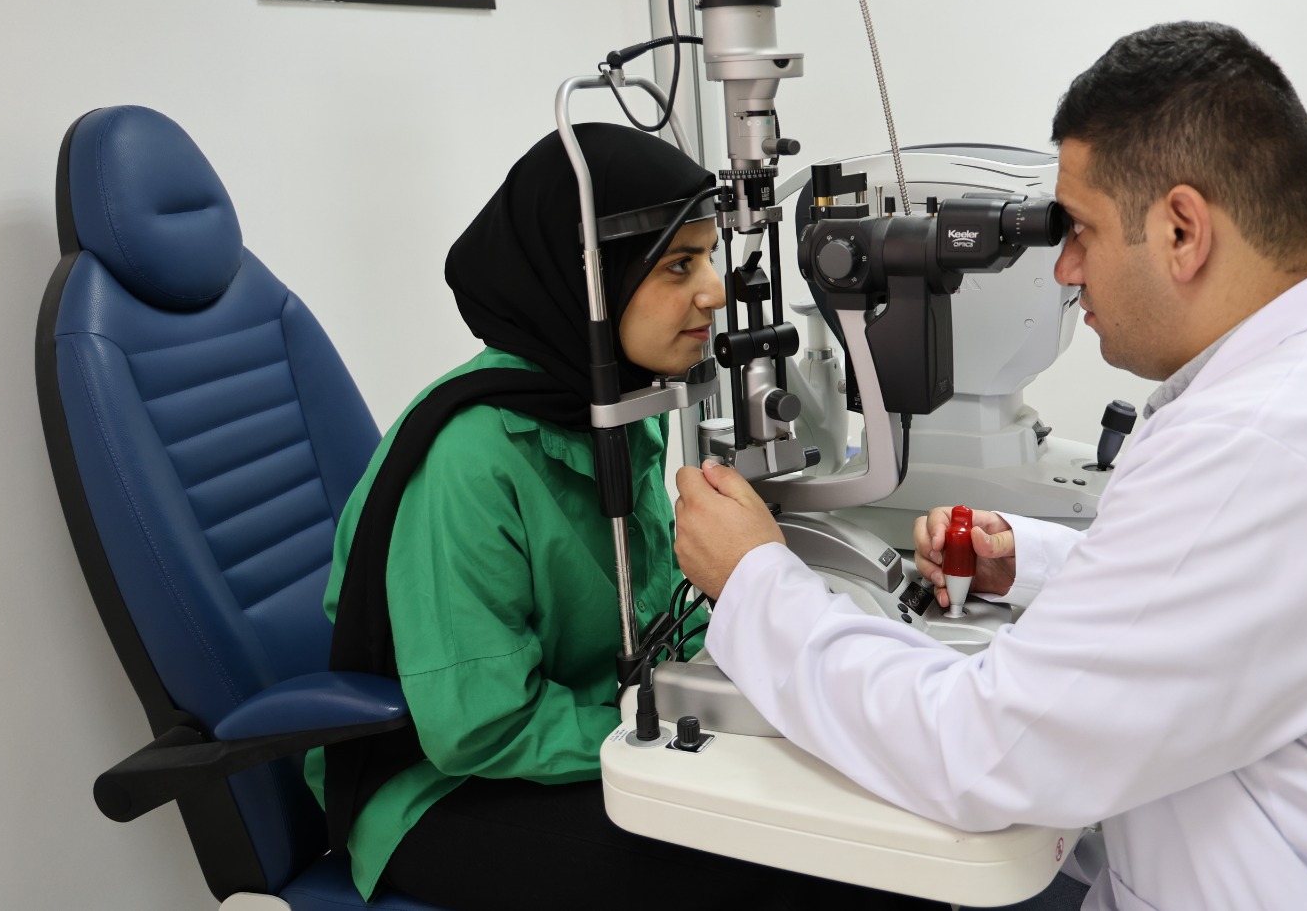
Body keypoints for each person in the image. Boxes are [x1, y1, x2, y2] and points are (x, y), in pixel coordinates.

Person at [672, 22, 1307, 910]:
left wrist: (757, 583)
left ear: (1184, 230)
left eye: (1081, 230)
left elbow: (985, 753)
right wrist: (1034, 561)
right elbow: (1256, 593)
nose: (1065, 269)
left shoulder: (1271, 439)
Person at [308, 124, 943, 910]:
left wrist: (757, 679)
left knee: (846, 817)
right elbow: (477, 727)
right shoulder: (467, 460)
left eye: (708, 257)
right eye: (679, 266)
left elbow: (655, 617)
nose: (714, 292)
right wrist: (683, 728)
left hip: (597, 734)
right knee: (799, 868)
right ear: (590, 283)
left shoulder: (616, 409)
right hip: (445, 792)